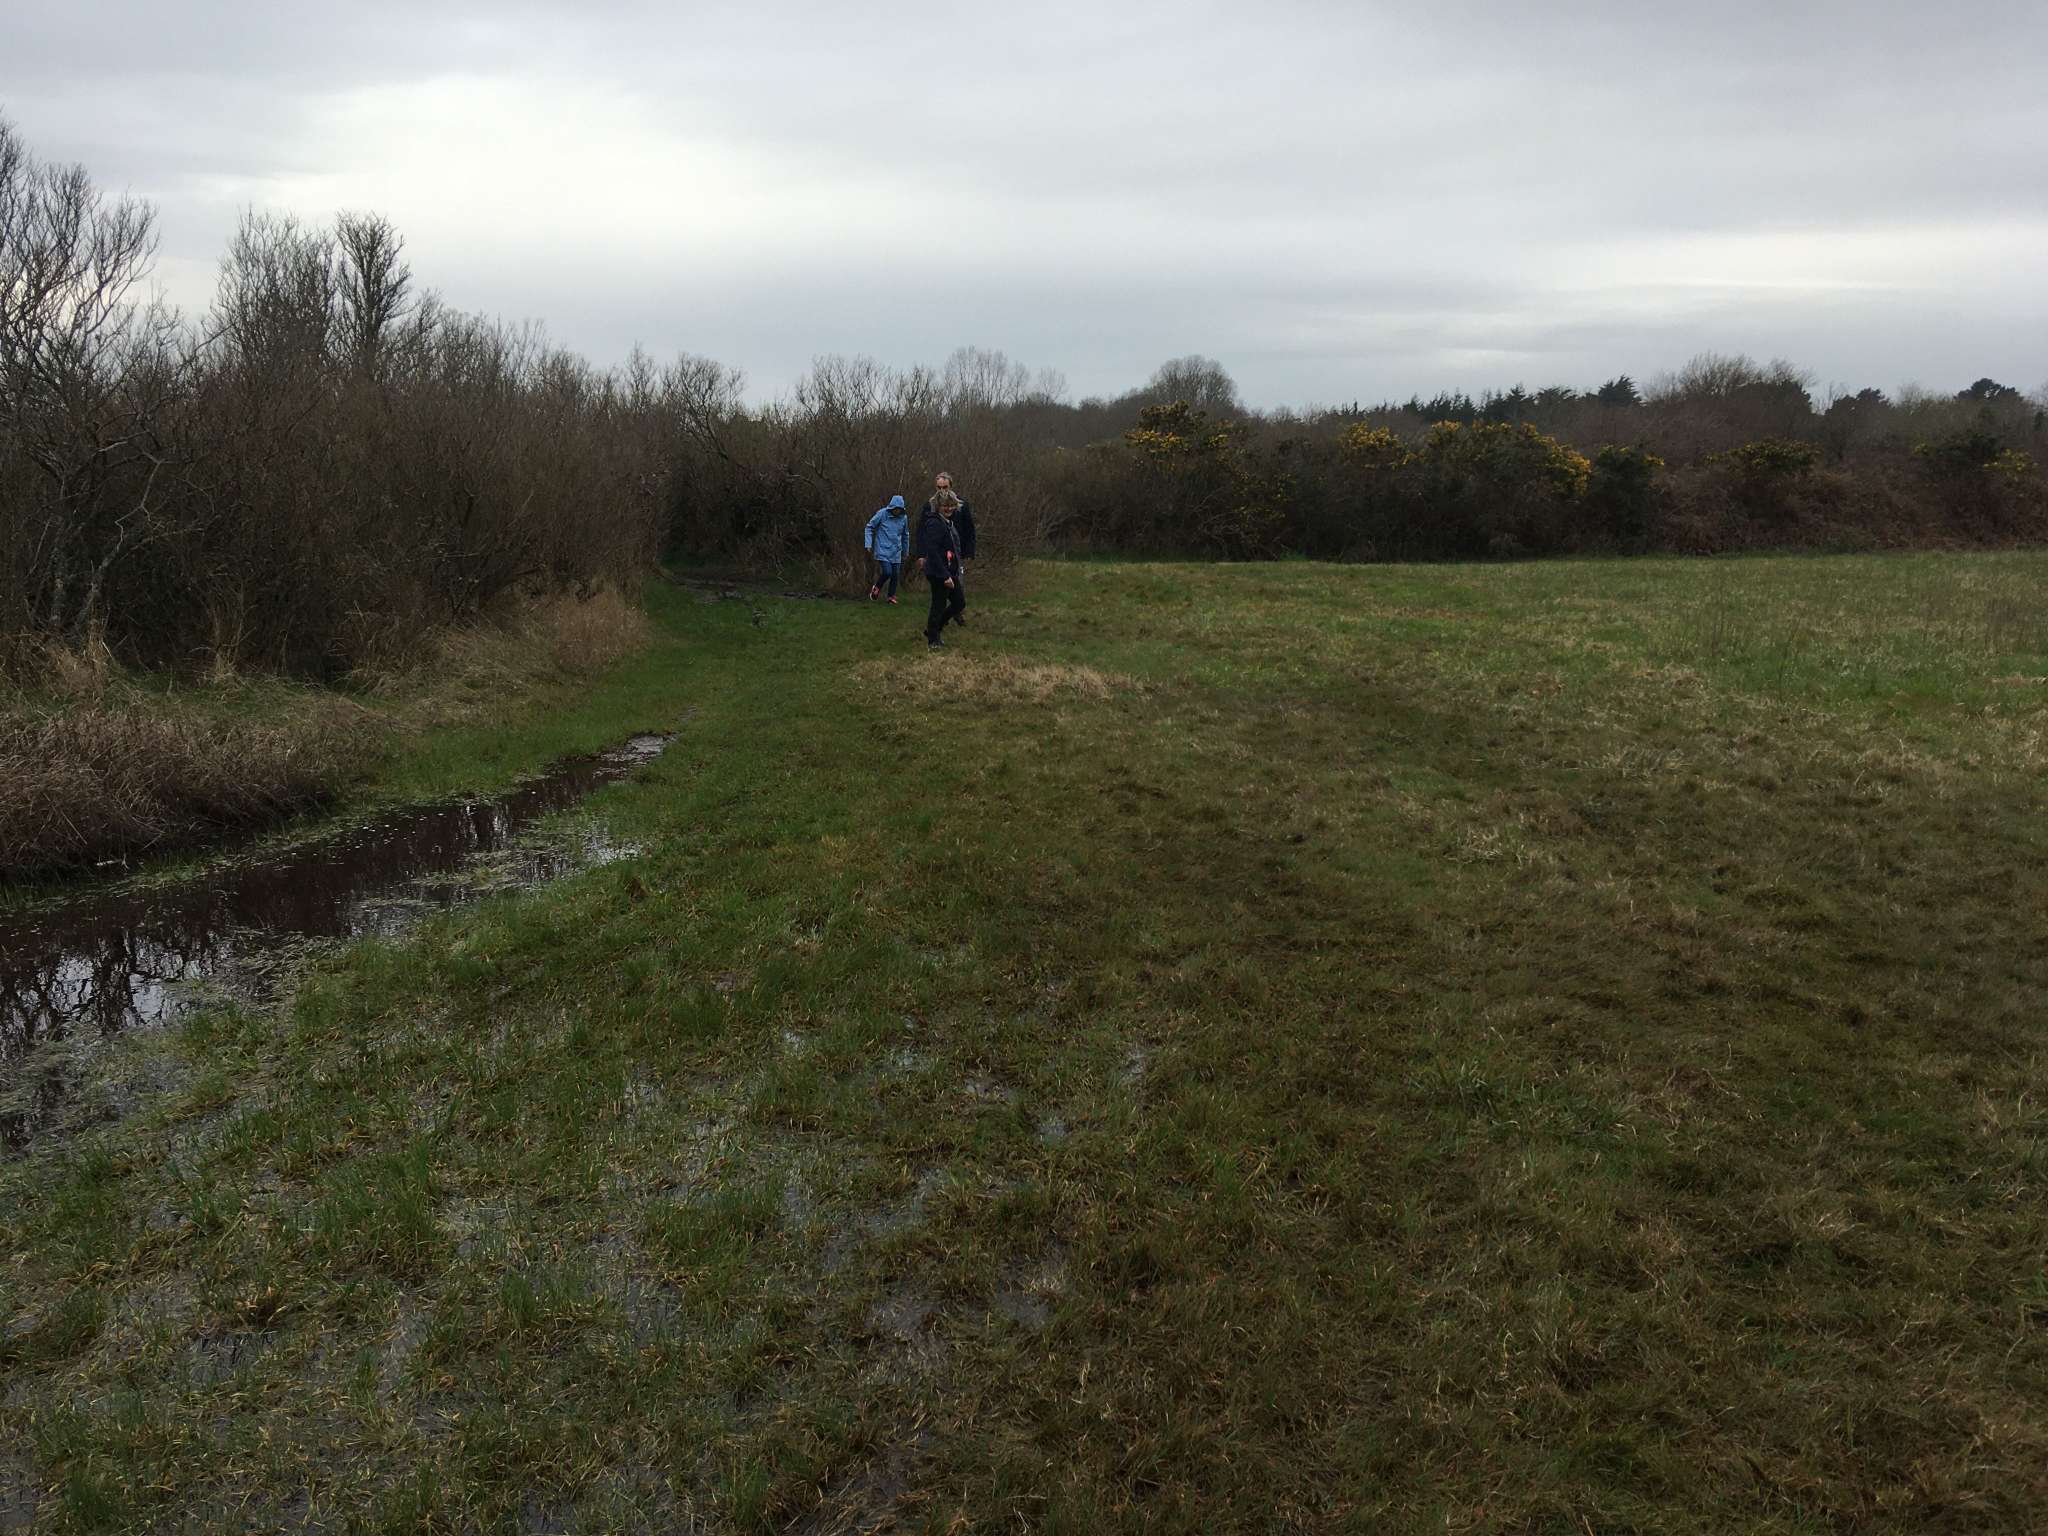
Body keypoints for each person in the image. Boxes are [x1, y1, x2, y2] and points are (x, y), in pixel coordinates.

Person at [916, 490, 965, 647]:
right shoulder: (934, 523)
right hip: (938, 572)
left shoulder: (948, 522)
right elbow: (933, 551)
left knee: (959, 602)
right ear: (937, 506)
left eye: (951, 505)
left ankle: (933, 629)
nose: (949, 508)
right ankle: (933, 640)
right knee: (938, 605)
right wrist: (944, 576)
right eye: (945, 505)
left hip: (950, 570)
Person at [926, 471, 974, 624]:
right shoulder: (930, 505)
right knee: (941, 590)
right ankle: (937, 623)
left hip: (956, 552)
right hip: (940, 554)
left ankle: (955, 613)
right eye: (939, 487)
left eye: (945, 487)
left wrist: (969, 550)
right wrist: (921, 554)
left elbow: (969, 528)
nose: (942, 490)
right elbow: (923, 531)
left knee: (958, 586)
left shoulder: (961, 504)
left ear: (951, 486)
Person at [864, 494, 910, 603]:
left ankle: (891, 596)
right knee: (887, 572)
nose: (897, 511)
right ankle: (876, 588)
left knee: (895, 574)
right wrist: (868, 544)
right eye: (895, 509)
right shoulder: (882, 514)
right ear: (891, 507)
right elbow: (869, 527)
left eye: (899, 509)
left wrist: (905, 551)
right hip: (882, 549)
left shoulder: (903, 518)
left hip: (896, 550)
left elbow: (905, 535)